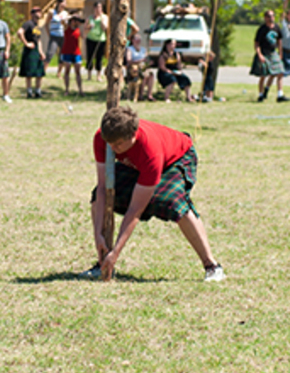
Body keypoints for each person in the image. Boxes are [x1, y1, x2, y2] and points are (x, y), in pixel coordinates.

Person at [83, 105, 224, 283]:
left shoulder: (150, 150)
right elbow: (103, 188)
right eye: (109, 143)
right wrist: (98, 235)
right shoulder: (104, 139)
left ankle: (212, 266)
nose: (112, 148)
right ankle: (102, 263)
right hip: (135, 163)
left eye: (118, 144)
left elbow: (135, 209)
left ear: (133, 135)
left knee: (173, 202)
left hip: (176, 158)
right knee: (97, 195)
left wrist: (117, 251)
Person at [250, 10, 284, 101]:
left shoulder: (276, 27)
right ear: (265, 18)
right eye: (269, 16)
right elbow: (256, 43)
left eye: (272, 16)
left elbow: (280, 40)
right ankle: (261, 95)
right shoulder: (262, 29)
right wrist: (260, 55)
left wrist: (280, 53)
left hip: (273, 52)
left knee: (280, 72)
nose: (271, 18)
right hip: (264, 52)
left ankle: (280, 95)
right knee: (263, 75)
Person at [17, 7, 46, 98]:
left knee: (39, 73)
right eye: (37, 11)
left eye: (40, 11)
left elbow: (39, 40)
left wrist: (41, 52)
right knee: (29, 73)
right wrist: (26, 43)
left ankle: (38, 91)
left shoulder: (37, 26)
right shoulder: (28, 24)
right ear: (32, 14)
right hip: (29, 50)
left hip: (36, 50)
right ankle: (29, 92)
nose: (39, 13)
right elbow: (19, 32)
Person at [156, 38, 194, 102]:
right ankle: (166, 97)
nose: (173, 46)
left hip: (175, 71)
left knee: (185, 78)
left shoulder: (176, 54)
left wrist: (179, 71)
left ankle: (188, 97)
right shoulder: (163, 54)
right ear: (167, 45)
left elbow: (179, 65)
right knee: (172, 80)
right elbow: (162, 67)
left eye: (174, 44)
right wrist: (170, 72)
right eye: (172, 44)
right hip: (165, 72)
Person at [124, 33, 155, 101]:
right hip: (134, 68)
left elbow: (146, 60)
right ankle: (140, 95)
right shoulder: (130, 49)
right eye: (137, 39)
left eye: (139, 39)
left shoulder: (143, 49)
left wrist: (148, 63)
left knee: (151, 75)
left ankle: (149, 95)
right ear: (132, 40)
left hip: (143, 67)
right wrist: (140, 61)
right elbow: (129, 61)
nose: (138, 40)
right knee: (144, 75)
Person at [60, 14, 85, 96]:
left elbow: (83, 36)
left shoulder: (78, 29)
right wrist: (71, 17)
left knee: (78, 71)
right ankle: (67, 90)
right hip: (67, 52)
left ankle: (80, 90)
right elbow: (63, 20)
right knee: (67, 71)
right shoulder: (66, 28)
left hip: (76, 52)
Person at [85, 1, 109, 82]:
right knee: (90, 56)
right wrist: (89, 26)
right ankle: (89, 75)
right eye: (97, 7)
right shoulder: (90, 17)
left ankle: (98, 76)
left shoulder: (105, 17)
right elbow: (85, 28)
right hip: (90, 39)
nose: (99, 9)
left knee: (99, 58)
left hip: (100, 39)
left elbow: (104, 27)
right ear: (94, 8)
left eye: (100, 7)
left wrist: (101, 18)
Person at [46, 0, 69, 73]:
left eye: (65, 3)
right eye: (63, 3)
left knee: (62, 55)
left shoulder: (65, 13)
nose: (64, 5)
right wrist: (49, 33)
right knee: (50, 53)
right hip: (54, 35)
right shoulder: (52, 12)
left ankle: (59, 73)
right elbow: (46, 24)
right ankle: (43, 71)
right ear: (59, 3)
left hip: (62, 36)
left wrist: (64, 23)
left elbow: (66, 27)